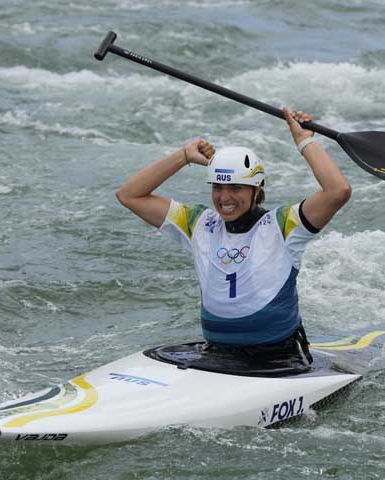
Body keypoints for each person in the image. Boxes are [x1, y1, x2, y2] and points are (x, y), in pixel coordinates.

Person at [116, 107, 351, 373]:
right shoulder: (198, 224)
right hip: (218, 355)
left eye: (235, 187)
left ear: (257, 189)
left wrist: (304, 140)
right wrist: (183, 157)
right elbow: (129, 195)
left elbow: (337, 191)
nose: (224, 198)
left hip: (277, 359)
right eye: (218, 187)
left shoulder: (284, 226)